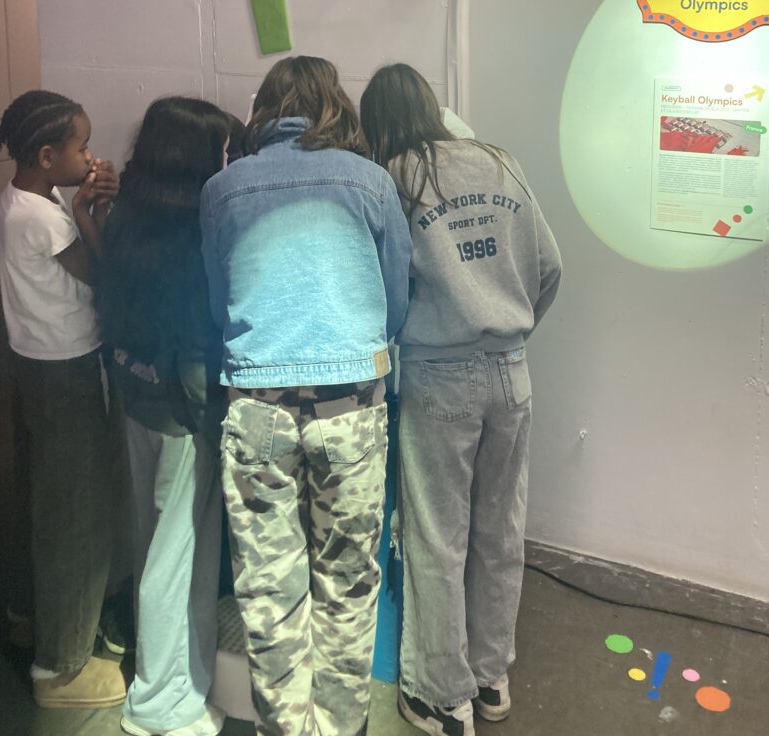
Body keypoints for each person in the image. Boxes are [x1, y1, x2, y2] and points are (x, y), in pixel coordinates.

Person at [200, 55, 412, 736]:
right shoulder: (372, 182)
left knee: (269, 590)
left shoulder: (222, 189)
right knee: (348, 585)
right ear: (334, 103)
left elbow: (217, 301)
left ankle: (286, 728)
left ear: (265, 108)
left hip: (256, 407)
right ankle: (342, 726)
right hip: (351, 406)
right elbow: (396, 300)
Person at [360, 64, 562, 736]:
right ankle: (491, 677)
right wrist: (509, 328)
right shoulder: (501, 162)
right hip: (512, 371)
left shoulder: (395, 178)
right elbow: (551, 267)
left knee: (437, 540)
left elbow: (387, 287)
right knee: (499, 531)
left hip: (437, 375)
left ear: (377, 122)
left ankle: (442, 698)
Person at [95, 97, 231, 736]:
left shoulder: (128, 214)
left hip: (136, 400)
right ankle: (162, 703)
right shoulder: (197, 233)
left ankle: (162, 683)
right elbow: (198, 345)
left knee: (153, 544)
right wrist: (215, 424)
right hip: (184, 416)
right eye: (221, 150)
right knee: (181, 555)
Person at [0, 89, 125, 709]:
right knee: (77, 512)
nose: (91, 156)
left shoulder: (19, 198)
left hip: (32, 364)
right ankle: (62, 668)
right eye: (82, 147)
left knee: (45, 498)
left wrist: (74, 201)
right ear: (47, 156)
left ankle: (29, 615)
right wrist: (88, 211)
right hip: (65, 372)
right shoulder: (45, 217)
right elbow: (98, 275)